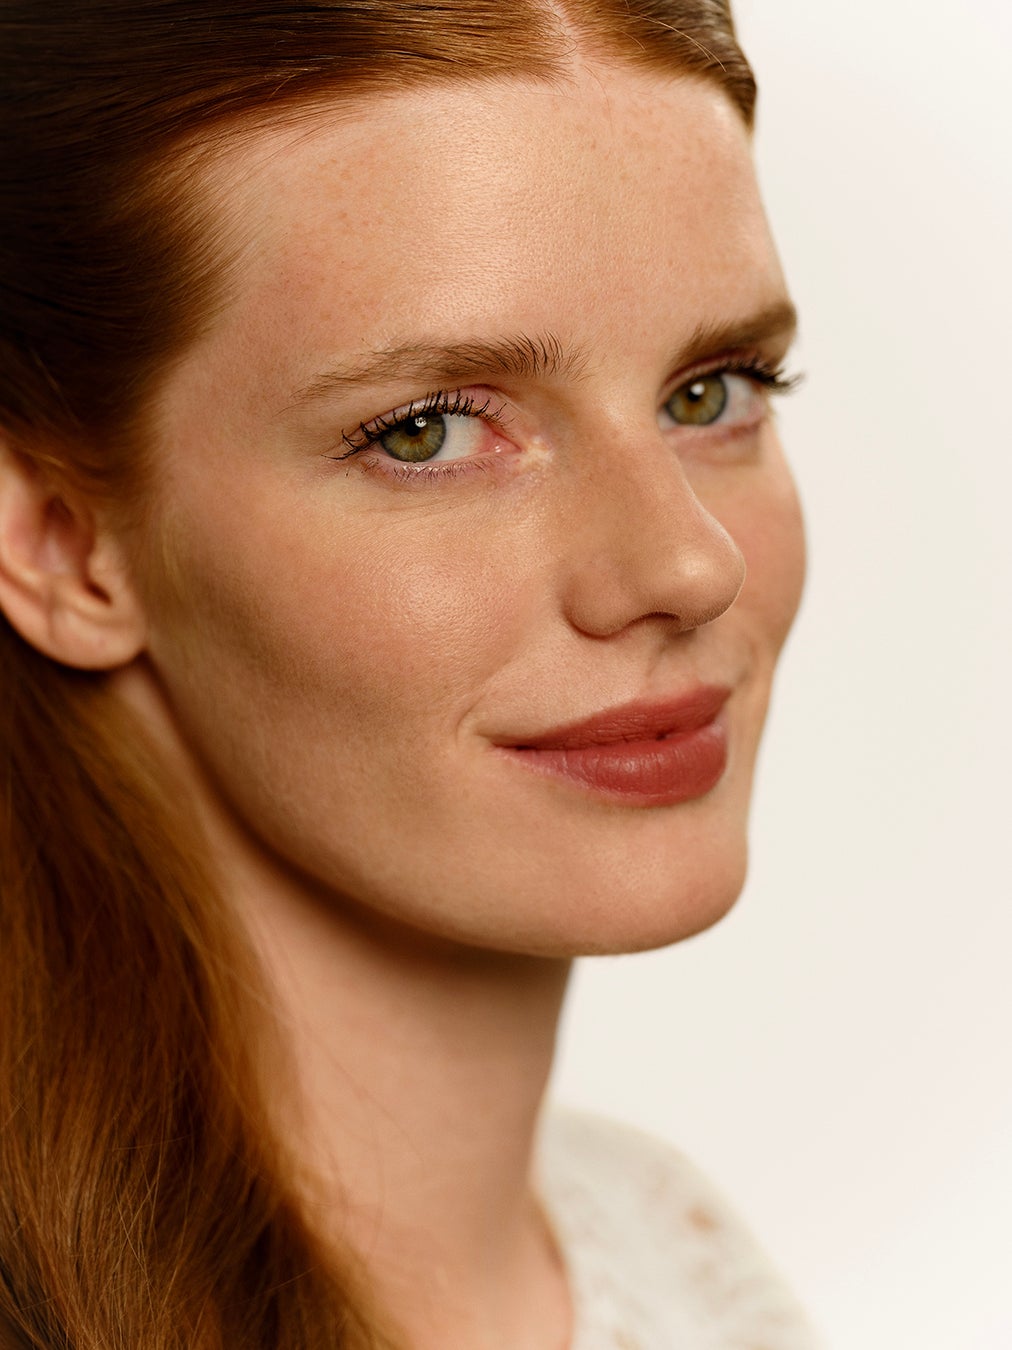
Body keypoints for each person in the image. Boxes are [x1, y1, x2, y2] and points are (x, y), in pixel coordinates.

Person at [0, 2, 817, 1347]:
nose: (688, 563)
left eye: (712, 391)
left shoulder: (672, 1248)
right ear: (61, 545)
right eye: (428, 431)